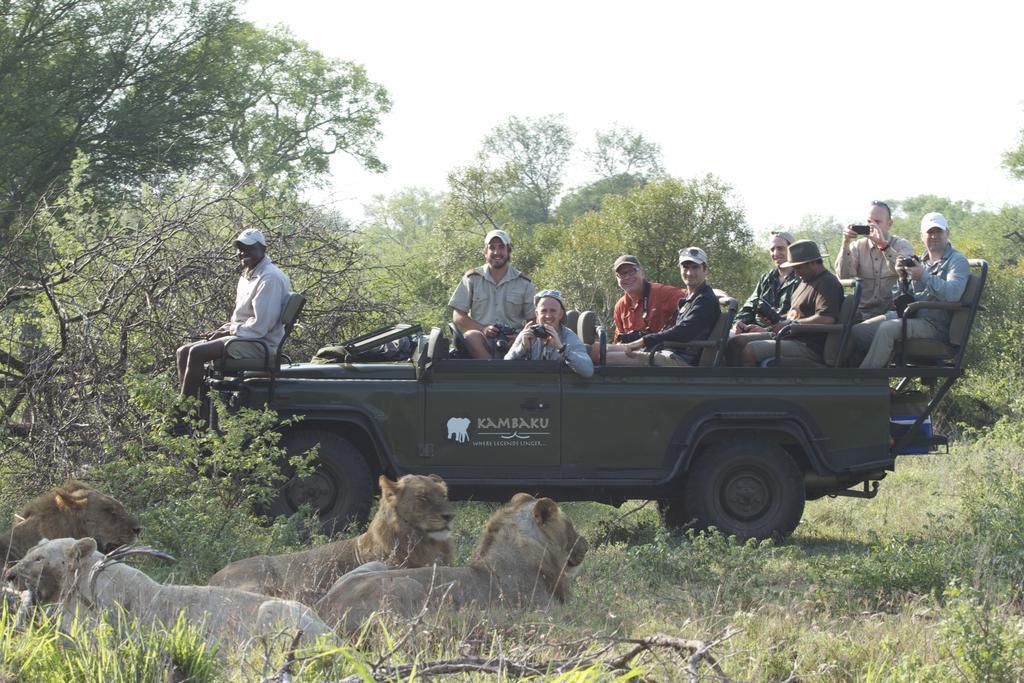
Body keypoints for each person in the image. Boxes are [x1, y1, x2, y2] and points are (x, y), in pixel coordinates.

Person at [176, 228, 291, 398]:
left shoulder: (270, 278)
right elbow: (243, 319)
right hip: (247, 338)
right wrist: (225, 328)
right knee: (183, 351)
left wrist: (230, 330)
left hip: (262, 344)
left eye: (250, 247)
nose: (243, 252)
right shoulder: (248, 276)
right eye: (240, 248)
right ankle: (195, 414)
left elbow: (260, 327)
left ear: (263, 249)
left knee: (196, 353)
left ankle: (183, 414)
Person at [857, 212, 969, 369]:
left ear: (947, 233)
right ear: (922, 236)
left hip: (935, 325)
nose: (934, 236)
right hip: (912, 316)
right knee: (859, 332)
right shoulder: (919, 261)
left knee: (887, 329)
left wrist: (923, 276)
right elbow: (904, 299)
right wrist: (902, 276)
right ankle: (842, 377)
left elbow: (953, 294)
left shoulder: (957, 261)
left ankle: (864, 383)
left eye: (938, 231)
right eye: (930, 232)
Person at [605, 247, 720, 366]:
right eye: (685, 267)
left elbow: (683, 332)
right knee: (599, 350)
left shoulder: (705, 300)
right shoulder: (690, 298)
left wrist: (642, 342)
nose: (689, 273)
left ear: (705, 270)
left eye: (695, 267)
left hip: (680, 360)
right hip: (667, 353)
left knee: (604, 358)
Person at [739, 240, 844, 366]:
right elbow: (795, 315)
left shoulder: (827, 283)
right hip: (788, 336)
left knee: (750, 349)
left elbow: (827, 319)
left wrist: (790, 324)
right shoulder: (805, 281)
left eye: (798, 266)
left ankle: (750, 385)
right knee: (736, 342)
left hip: (807, 345)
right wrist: (775, 320)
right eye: (793, 267)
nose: (795, 271)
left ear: (812, 263)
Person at [448, 229, 535, 359]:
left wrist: (520, 336)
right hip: (481, 341)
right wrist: (483, 329)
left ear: (508, 251)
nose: (496, 252)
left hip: (512, 342)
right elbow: (458, 315)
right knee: (470, 337)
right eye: (492, 248)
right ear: (485, 252)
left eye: (501, 247)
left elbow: (534, 319)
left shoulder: (524, 283)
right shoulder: (472, 278)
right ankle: (492, 373)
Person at [727, 231, 801, 364]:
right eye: (772, 249)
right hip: (755, 329)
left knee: (737, 343)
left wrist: (765, 330)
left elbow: (794, 318)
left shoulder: (800, 280)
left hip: (782, 334)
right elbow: (750, 306)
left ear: (791, 250)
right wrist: (738, 324)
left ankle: (743, 383)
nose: (775, 253)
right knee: (725, 338)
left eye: (780, 248)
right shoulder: (766, 279)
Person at [836, 200, 915, 319]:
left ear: (889, 224)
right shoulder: (857, 246)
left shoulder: (903, 246)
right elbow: (844, 276)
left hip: (892, 313)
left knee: (860, 331)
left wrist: (884, 246)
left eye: (877, 222)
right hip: (861, 313)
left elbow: (904, 271)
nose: (871, 226)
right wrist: (845, 244)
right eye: (869, 221)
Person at [504, 290, 594, 378]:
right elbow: (505, 366)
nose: (548, 316)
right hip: (530, 387)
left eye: (553, 311)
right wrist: (522, 348)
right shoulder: (527, 334)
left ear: (561, 314)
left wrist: (561, 348)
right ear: (537, 314)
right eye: (543, 311)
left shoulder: (568, 337)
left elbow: (588, 371)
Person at [609, 255, 686, 343]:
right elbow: (618, 341)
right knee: (596, 350)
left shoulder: (662, 292)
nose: (627, 277)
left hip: (659, 352)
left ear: (642, 273)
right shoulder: (620, 306)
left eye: (632, 271)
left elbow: (693, 298)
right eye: (622, 274)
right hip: (630, 353)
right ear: (617, 279)